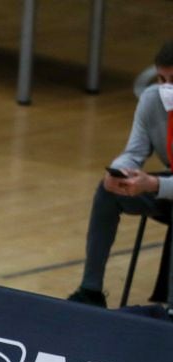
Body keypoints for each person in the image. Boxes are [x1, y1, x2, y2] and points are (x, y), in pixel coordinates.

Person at [67, 39, 173, 314]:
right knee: (108, 192)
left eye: (172, 79)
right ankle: (90, 290)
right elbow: (134, 152)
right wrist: (120, 171)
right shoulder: (153, 100)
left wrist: (154, 184)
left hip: (165, 185)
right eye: (161, 78)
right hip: (167, 186)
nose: (166, 87)